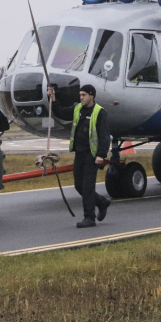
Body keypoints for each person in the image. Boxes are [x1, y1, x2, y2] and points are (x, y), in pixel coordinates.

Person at [47, 83, 111, 228]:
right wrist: (53, 98)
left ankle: (89, 218)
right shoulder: (77, 109)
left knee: (88, 188)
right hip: (80, 154)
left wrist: (101, 154)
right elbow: (61, 113)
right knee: (79, 186)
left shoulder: (100, 112)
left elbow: (105, 136)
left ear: (92, 96)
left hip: (92, 155)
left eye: (84, 95)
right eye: (80, 95)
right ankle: (101, 202)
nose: (81, 98)